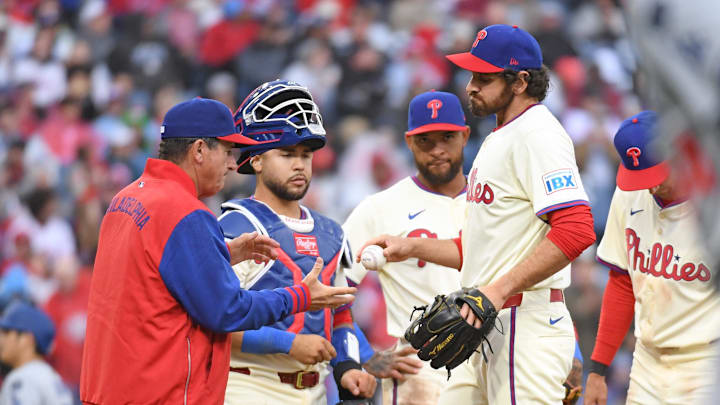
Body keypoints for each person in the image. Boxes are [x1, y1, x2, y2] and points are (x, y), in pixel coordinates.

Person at [359, 24, 596, 403]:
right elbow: (481, 250)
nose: (470, 86)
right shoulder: (499, 137)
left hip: (524, 324)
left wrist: (497, 291)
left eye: (483, 78)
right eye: (472, 75)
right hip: (486, 321)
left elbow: (578, 229)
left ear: (519, 82)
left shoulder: (538, 134)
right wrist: (409, 247)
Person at [80, 97, 356, 405]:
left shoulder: (126, 198)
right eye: (226, 151)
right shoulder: (186, 212)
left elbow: (153, 276)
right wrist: (301, 296)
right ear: (199, 150)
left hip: (109, 388)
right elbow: (228, 311)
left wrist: (222, 253)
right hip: (159, 390)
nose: (231, 164)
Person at [217, 80, 376, 405]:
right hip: (246, 389)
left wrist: (347, 367)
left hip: (314, 392)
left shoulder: (331, 233)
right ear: (257, 161)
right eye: (287, 153)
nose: (299, 164)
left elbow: (341, 314)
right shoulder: (236, 226)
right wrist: (288, 343)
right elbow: (216, 321)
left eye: (306, 154)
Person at [343, 90, 475, 404]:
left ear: (465, 135)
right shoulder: (379, 208)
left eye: (447, 137)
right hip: (422, 368)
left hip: (493, 361)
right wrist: (363, 353)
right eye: (425, 140)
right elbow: (330, 291)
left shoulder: (493, 202)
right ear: (409, 142)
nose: (438, 150)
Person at [584, 111, 720, 404]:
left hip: (707, 360)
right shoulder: (629, 195)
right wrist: (598, 370)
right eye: (641, 177)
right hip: (647, 361)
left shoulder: (712, 198)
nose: (652, 186)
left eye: (658, 174)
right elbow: (622, 283)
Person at [0, 301, 74, 405]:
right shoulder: (52, 376)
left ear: (27, 339)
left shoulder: (22, 379)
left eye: (6, 332)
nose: (1, 339)